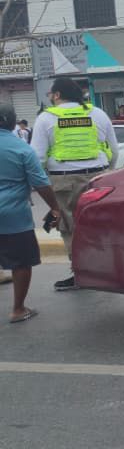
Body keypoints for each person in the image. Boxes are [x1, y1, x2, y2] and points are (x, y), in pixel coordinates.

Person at [30, 77, 119, 290]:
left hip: (63, 181)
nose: (50, 97)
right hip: (98, 177)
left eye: (50, 94)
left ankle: (81, 274)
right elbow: (114, 150)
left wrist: (43, 182)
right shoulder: (97, 113)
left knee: (70, 228)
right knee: (99, 225)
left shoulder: (45, 118)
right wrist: (108, 172)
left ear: (58, 95)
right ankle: (106, 270)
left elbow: (37, 158)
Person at [0, 104, 60, 322]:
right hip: (14, 217)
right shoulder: (22, 149)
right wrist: (54, 208)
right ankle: (18, 309)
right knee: (21, 263)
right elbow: (41, 183)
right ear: (12, 122)